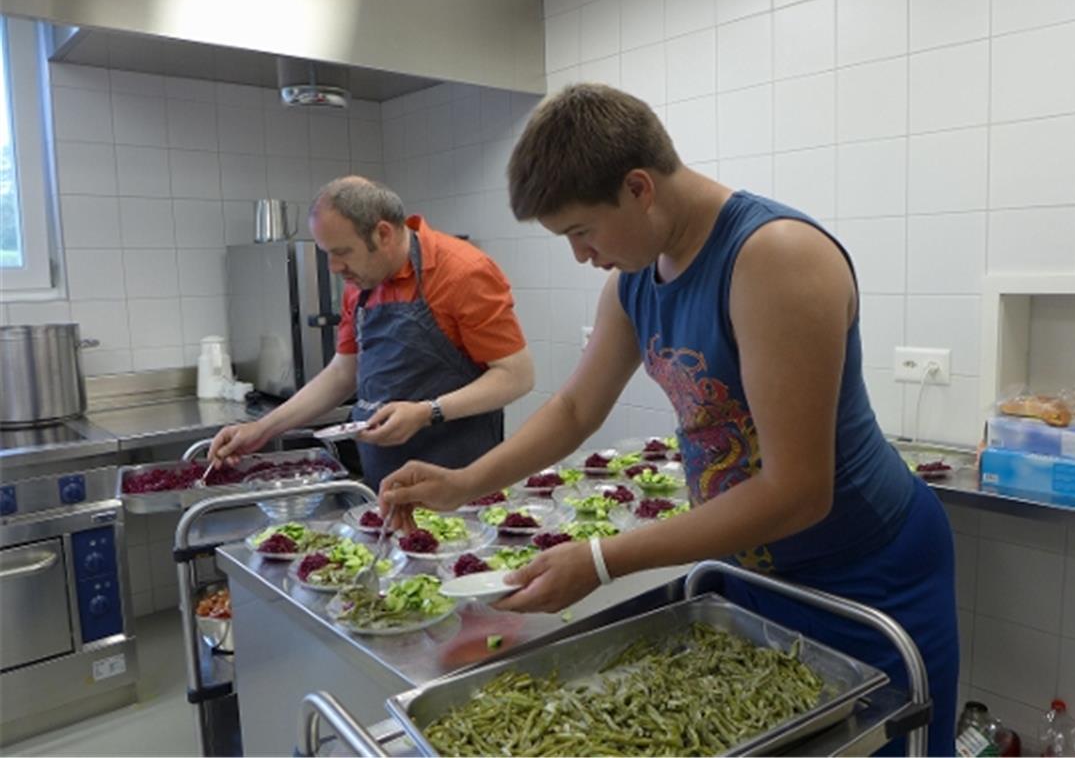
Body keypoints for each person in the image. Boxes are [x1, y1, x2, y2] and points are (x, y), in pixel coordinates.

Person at [379, 85, 958, 754]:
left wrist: (601, 561)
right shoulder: (633, 279)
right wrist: (464, 484)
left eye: (581, 231)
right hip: (752, 573)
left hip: (865, 574)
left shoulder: (774, 259)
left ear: (638, 188)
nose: (580, 254)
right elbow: (575, 409)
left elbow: (798, 490)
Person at [209, 176, 534, 489]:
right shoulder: (359, 285)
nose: (333, 267)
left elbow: (516, 376)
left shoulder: (462, 273)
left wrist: (427, 412)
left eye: (342, 252)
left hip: (460, 482)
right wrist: (261, 429)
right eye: (326, 253)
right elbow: (342, 373)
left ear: (383, 234)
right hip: (383, 478)